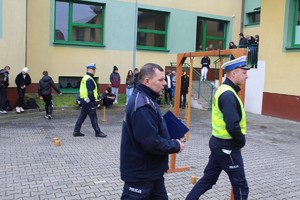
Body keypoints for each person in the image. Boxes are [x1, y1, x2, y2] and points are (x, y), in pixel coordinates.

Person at [186, 56, 250, 200]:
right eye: (244, 72)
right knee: (240, 186)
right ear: (233, 73)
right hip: (227, 145)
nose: (247, 76)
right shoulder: (228, 94)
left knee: (208, 180)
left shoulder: (224, 89)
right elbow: (232, 125)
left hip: (218, 143)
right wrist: (241, 142)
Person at [120, 63, 185, 199]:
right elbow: (151, 142)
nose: (165, 84)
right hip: (141, 175)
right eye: (160, 80)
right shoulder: (142, 105)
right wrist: (175, 145)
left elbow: (151, 129)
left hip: (152, 171)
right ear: (147, 81)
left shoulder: (147, 99)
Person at [73, 63, 107, 138]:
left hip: (84, 100)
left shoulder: (85, 78)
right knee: (93, 116)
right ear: (89, 69)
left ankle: (76, 131)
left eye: (94, 69)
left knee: (82, 116)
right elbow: (90, 92)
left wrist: (97, 96)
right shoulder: (89, 79)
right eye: (93, 69)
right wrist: (93, 102)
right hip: (88, 101)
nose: (94, 71)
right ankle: (98, 132)